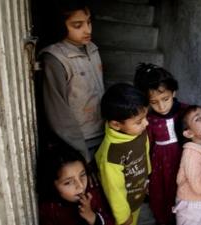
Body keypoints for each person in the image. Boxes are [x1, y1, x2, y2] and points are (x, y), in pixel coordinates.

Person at [40, 0, 104, 162]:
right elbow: (58, 114)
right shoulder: (55, 59)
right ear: (60, 25)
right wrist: (80, 153)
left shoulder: (92, 48)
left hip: (102, 133)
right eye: (77, 25)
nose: (87, 30)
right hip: (78, 142)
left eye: (89, 22)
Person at [134, 63, 188, 225]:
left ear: (173, 93)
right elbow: (146, 146)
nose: (162, 106)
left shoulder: (185, 111)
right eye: (154, 102)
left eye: (165, 99)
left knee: (179, 190)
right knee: (161, 193)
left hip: (182, 160)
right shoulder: (149, 120)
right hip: (160, 165)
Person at [95, 83, 151, 225]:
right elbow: (114, 189)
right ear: (116, 125)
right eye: (139, 122)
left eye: (145, 116)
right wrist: (123, 217)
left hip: (137, 195)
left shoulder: (138, 132)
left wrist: (147, 177)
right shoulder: (112, 154)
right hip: (122, 209)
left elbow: (144, 154)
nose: (146, 123)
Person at [37, 144, 115, 225]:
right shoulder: (49, 210)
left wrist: (93, 218)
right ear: (52, 185)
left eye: (82, 175)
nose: (80, 186)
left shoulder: (93, 194)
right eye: (68, 182)